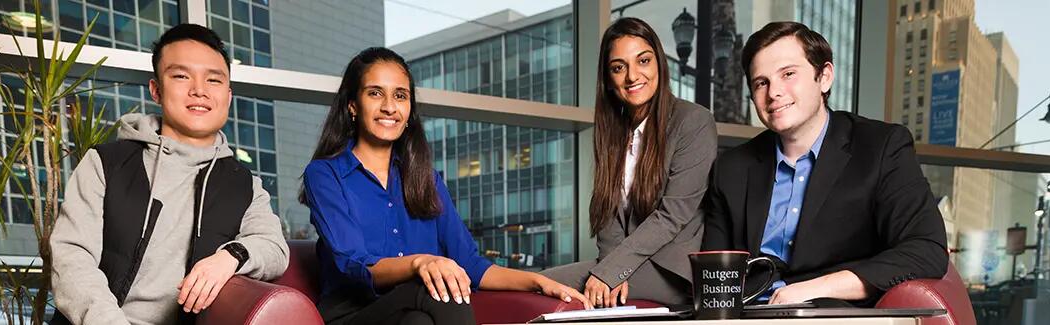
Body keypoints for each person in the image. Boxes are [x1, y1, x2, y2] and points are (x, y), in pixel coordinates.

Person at [300, 47, 587, 325]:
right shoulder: (325, 174)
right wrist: (420, 263)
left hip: (412, 310)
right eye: (375, 93)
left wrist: (538, 281)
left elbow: (470, 264)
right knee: (438, 286)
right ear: (353, 105)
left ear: (409, 109)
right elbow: (353, 264)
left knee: (418, 320)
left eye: (400, 95)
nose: (389, 106)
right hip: (351, 314)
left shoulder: (426, 179)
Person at [50, 24, 289, 324]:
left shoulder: (243, 184)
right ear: (156, 90)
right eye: (181, 76)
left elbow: (274, 248)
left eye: (213, 80)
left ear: (228, 97)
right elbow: (72, 259)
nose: (199, 90)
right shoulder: (105, 164)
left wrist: (230, 257)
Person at [701, 21, 948, 305]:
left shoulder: (881, 147)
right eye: (761, 83)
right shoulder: (731, 168)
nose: (774, 93)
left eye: (789, 74)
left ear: (825, 77)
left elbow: (926, 248)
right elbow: (715, 276)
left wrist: (816, 288)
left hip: (832, 313)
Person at [540, 17, 719, 308]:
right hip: (630, 265)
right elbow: (608, 211)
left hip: (672, 270)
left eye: (643, 60)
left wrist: (613, 271)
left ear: (659, 63)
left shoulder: (693, 121)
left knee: (550, 291)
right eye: (618, 67)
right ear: (608, 80)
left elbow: (672, 217)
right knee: (541, 285)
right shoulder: (614, 133)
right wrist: (613, 269)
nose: (632, 76)